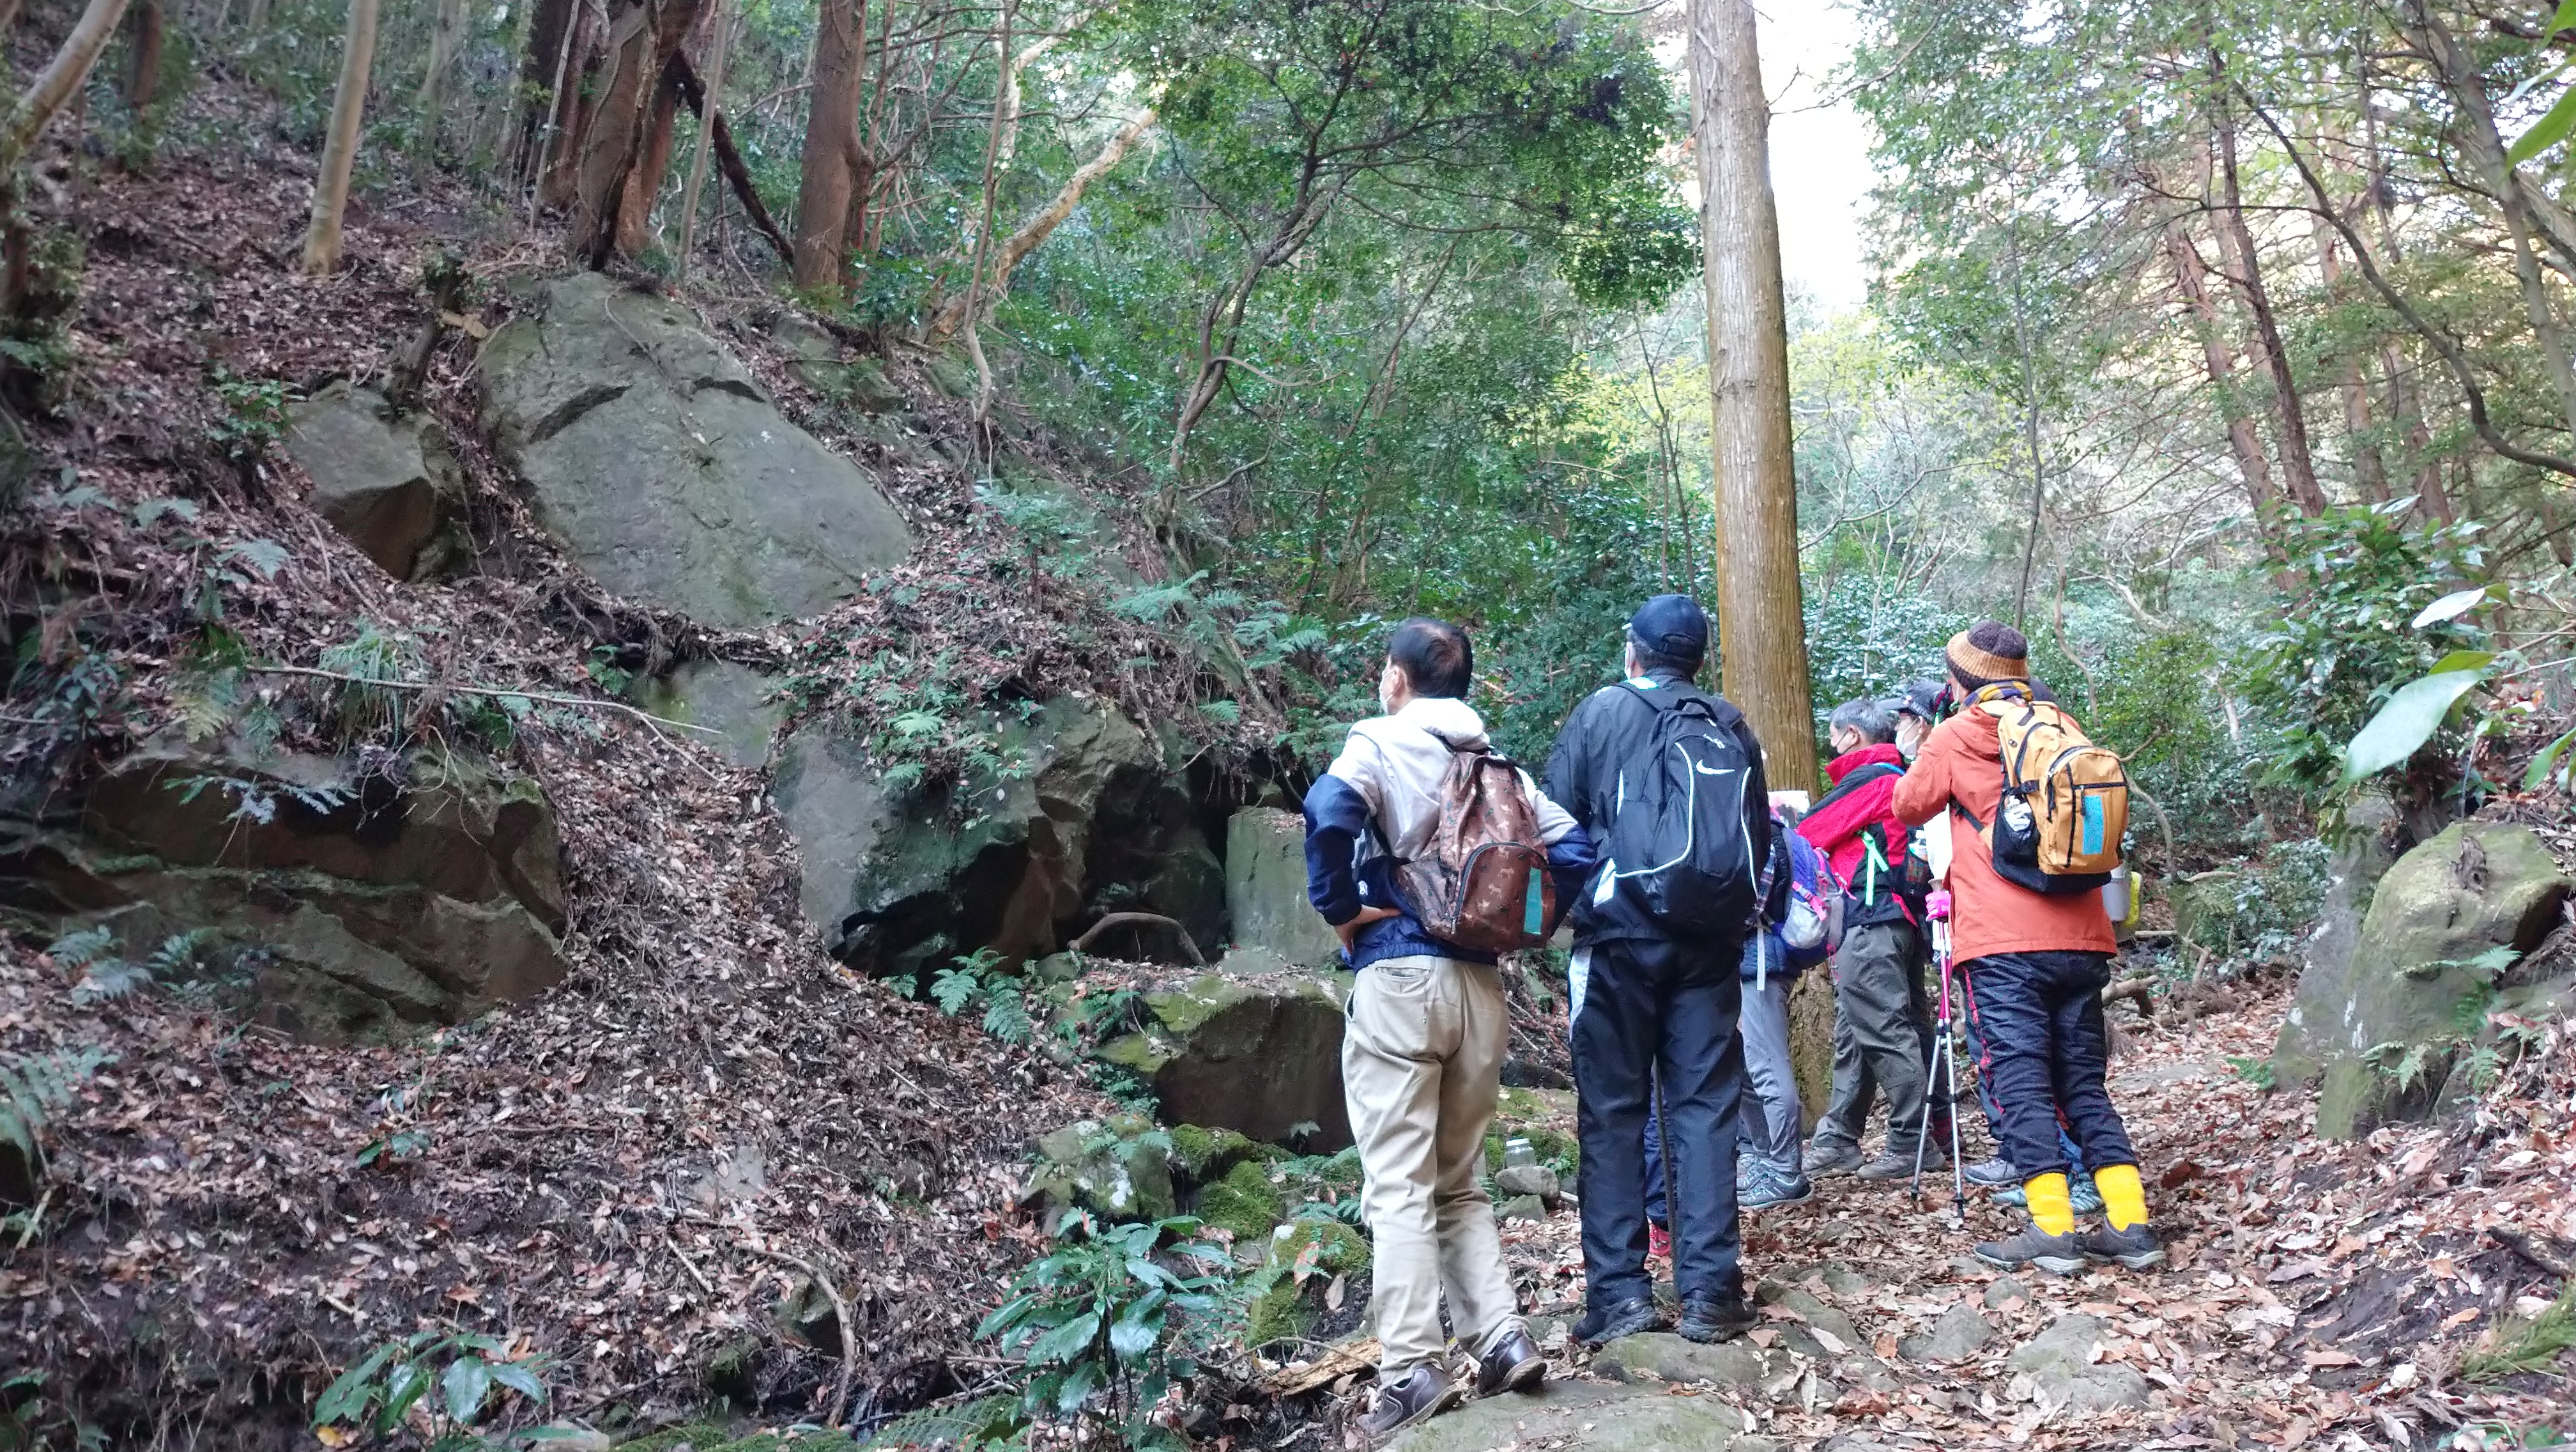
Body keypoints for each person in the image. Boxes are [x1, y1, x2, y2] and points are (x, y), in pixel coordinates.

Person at [1303, 617, 1597, 1440]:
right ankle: (1501, 1338)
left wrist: (1341, 911)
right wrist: (1523, 924)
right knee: (1458, 1179)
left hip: (1397, 977)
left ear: (1397, 677)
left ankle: (1410, 1371)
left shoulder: (1380, 741)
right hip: (1480, 986)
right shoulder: (1496, 766)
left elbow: (1327, 813)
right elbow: (1575, 853)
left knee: (1396, 1182)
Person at [1890, 621, 2164, 1274]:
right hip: (2082, 934)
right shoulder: (2060, 725)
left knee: (2019, 1081)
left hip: (2004, 942)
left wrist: (1923, 750)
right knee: (2083, 1083)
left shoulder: (1959, 734)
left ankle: (2052, 1228)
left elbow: (1906, 804)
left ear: (1962, 682)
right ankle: (2130, 1222)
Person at [1543, 595, 1768, 1348]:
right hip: (1708, 945)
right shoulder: (1729, 723)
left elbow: (1555, 828)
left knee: (1613, 1113)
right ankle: (1710, 1291)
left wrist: (1565, 914)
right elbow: (1757, 840)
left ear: (1633, 652)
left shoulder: (1599, 714)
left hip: (1615, 941)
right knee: (1703, 1110)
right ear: (1696, 660)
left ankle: (1620, 1296)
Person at [1641, 803, 1822, 1243]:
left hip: (1761, 961)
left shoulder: (1759, 832)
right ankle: (1765, 1155)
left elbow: (1752, 902)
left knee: (1766, 1065)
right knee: (1740, 1067)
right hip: (1751, 962)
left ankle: (1785, 1170)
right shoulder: (1765, 827)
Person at [1799, 698, 1947, 1180]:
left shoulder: (1872, 780)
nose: (1830, 742)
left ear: (1853, 737)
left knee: (1885, 1031)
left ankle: (1912, 1142)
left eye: (1834, 733)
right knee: (1855, 1034)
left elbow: (1808, 833)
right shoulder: (1900, 776)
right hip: (1898, 921)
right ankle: (1840, 1137)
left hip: (1871, 922)